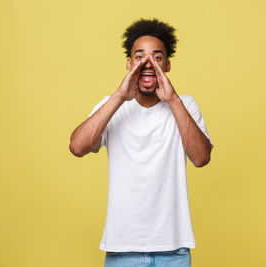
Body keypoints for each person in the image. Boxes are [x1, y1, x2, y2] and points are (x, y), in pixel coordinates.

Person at [69, 18, 213, 267]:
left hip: (174, 250)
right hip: (122, 249)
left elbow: (201, 158)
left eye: (157, 58)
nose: (148, 64)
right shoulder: (112, 106)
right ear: (129, 64)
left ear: (167, 65)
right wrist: (119, 97)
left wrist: (173, 100)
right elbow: (77, 147)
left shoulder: (185, 105)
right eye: (140, 57)